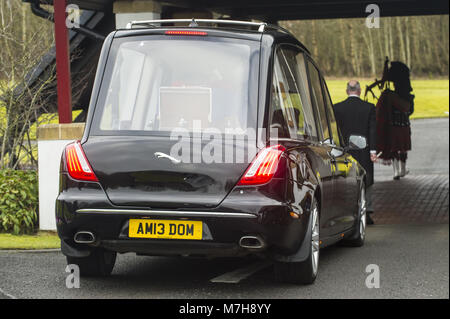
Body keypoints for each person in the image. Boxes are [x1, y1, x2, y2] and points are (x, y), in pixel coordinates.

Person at [334, 80, 377, 225]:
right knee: (367, 180)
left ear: (347, 91)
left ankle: (345, 211)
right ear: (359, 91)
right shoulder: (369, 107)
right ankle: (367, 212)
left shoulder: (337, 108)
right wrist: (373, 151)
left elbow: (335, 132)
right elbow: (372, 130)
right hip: (364, 150)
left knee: (345, 180)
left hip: (344, 151)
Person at [375, 62, 414, 180]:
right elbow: (410, 111)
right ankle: (401, 170)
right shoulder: (407, 97)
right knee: (402, 148)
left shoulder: (390, 96)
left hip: (393, 125)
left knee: (394, 147)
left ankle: (397, 171)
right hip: (404, 125)